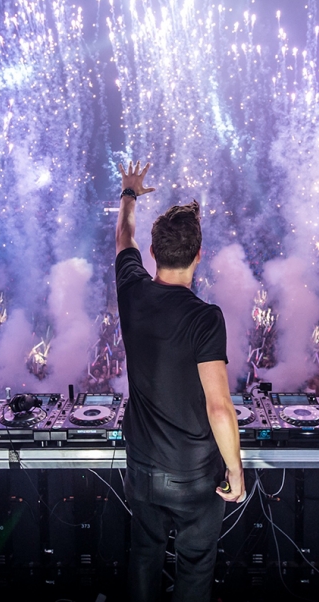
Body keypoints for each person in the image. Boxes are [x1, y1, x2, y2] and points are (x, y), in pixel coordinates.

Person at [115, 160, 246, 602]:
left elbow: (123, 238)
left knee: (143, 555)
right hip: (193, 475)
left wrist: (129, 194)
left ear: (153, 253)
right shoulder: (204, 319)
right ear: (199, 255)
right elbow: (219, 406)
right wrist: (235, 469)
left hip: (142, 468)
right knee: (194, 566)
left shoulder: (131, 291)